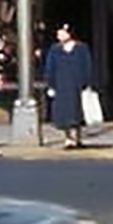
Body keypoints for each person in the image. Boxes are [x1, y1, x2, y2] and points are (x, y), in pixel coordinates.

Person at [42, 22, 96, 150]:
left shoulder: (81, 48)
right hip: (61, 85)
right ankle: (68, 139)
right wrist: (50, 84)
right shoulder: (55, 50)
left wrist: (86, 82)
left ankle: (77, 137)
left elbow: (87, 66)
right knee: (63, 113)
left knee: (76, 111)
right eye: (58, 33)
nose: (59, 35)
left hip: (76, 85)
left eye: (62, 33)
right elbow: (50, 68)